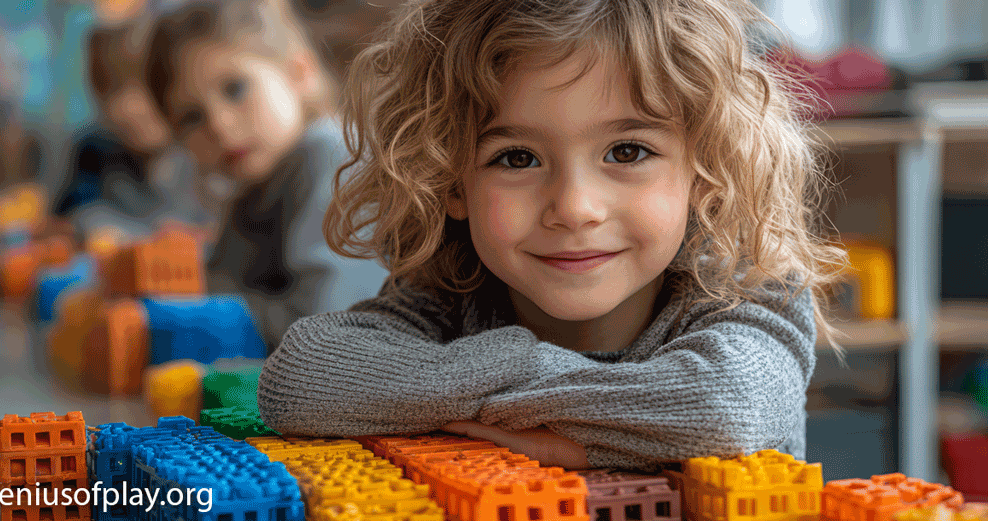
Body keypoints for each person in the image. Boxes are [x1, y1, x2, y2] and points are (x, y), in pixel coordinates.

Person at [256, 0, 849, 472]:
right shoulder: (453, 296)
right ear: (450, 182)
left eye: (627, 151)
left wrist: (459, 396)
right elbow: (301, 375)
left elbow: (723, 405)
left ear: (705, 168)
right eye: (516, 158)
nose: (574, 208)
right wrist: (555, 392)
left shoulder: (750, 290)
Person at [144, 0, 389, 349]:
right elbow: (220, 283)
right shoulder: (252, 186)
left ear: (298, 73)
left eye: (235, 89)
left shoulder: (333, 160)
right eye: (191, 117)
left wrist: (183, 324)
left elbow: (330, 330)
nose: (219, 124)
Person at [53, 20, 205, 238]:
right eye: (107, 90)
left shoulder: (207, 154)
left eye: (141, 84)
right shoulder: (94, 154)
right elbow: (66, 223)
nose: (121, 108)